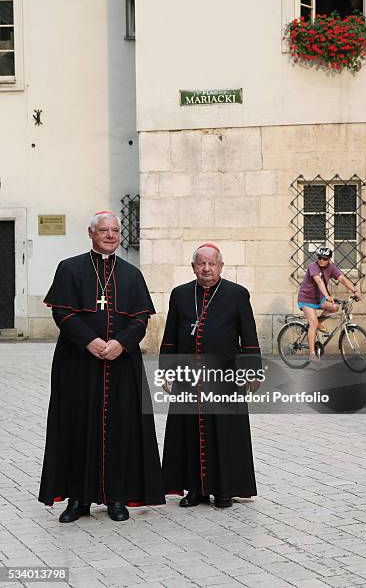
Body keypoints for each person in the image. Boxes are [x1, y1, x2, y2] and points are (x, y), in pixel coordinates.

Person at [38, 211, 165, 522]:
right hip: (78, 363)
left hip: (122, 364)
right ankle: (77, 500)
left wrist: (121, 343)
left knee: (122, 429)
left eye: (115, 231)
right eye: (103, 230)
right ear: (91, 233)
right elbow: (63, 313)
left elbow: (140, 318)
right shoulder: (70, 268)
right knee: (76, 426)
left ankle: (117, 498)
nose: (110, 235)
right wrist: (89, 342)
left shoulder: (132, 274)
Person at [160, 243, 262, 509]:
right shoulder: (180, 294)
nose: (206, 268)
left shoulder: (237, 294)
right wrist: (165, 369)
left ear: (220, 266)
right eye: (201, 263)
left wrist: (253, 370)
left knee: (224, 435)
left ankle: (224, 490)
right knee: (189, 434)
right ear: (193, 266)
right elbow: (170, 335)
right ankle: (195, 490)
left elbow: (248, 335)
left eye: (211, 263)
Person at [298, 246, 362, 363]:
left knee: (335, 307)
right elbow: (318, 281)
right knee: (313, 324)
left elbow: (342, 279)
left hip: (319, 299)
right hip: (306, 300)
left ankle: (319, 323)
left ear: (329, 259)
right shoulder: (313, 266)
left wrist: (355, 290)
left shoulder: (331, 267)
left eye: (325, 258)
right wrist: (327, 296)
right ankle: (312, 354)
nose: (322, 260)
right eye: (320, 257)